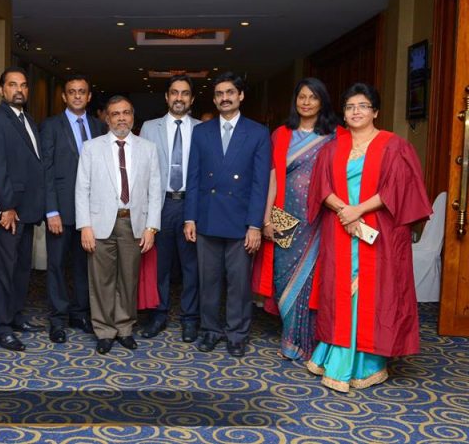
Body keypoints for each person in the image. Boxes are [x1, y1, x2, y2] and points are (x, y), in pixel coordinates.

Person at [305, 83, 431, 392]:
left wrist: (357, 210)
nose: (356, 111)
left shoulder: (394, 146)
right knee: (340, 290)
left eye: (363, 106)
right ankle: (337, 353)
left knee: (372, 292)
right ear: (343, 114)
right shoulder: (332, 149)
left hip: (380, 230)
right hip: (339, 228)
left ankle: (366, 361)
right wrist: (344, 211)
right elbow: (321, 187)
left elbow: (397, 188)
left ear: (375, 112)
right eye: (350, 107)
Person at [251, 77, 340, 360]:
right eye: (302, 97)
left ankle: (301, 342)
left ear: (322, 102)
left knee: (312, 281)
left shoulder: (335, 136)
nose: (306, 102)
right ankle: (292, 335)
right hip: (284, 216)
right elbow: (273, 178)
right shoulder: (281, 134)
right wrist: (266, 219)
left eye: (313, 97)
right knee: (282, 278)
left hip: (318, 218)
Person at [184, 71, 271, 357]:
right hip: (207, 218)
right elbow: (193, 177)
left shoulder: (258, 133)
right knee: (208, 281)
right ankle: (210, 330)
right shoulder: (201, 131)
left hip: (241, 222)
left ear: (240, 96)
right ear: (214, 99)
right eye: (219, 94)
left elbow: (260, 183)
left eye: (230, 92)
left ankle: (237, 334)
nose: (225, 98)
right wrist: (190, 218)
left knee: (239, 283)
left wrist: (254, 225)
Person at [75, 95, 162, 354]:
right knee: (101, 280)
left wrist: (151, 227)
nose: (121, 118)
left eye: (126, 113)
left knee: (128, 278)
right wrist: (85, 226)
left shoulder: (148, 148)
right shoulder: (91, 148)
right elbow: (82, 189)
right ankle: (104, 330)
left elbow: (155, 191)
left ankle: (124, 328)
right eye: (115, 114)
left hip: (133, 223)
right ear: (107, 118)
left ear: (133, 117)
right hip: (99, 224)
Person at [0, 67, 46, 352]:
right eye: (12, 85)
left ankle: (16, 316)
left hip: (26, 209)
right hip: (7, 211)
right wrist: (6, 206)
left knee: (20, 270)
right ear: (1, 90)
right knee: (2, 273)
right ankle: (1, 328)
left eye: (23, 85)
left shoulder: (27, 119)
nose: (19, 90)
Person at [41, 75, 106, 343]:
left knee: (84, 266)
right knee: (57, 266)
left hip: (91, 212)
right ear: (64, 97)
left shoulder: (100, 126)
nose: (77, 96)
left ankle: (80, 313)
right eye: (72, 92)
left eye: (82, 91)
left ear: (89, 97)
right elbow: (46, 169)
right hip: (61, 209)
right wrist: (51, 210)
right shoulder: (50, 126)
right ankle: (57, 319)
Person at [139, 75, 201, 342]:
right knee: (159, 265)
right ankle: (158, 314)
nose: (179, 98)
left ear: (192, 99)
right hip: (159, 204)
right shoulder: (148, 127)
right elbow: (141, 169)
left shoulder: (202, 129)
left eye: (185, 93)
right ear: (166, 97)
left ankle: (190, 318)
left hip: (191, 204)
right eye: (174, 92)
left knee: (191, 266)